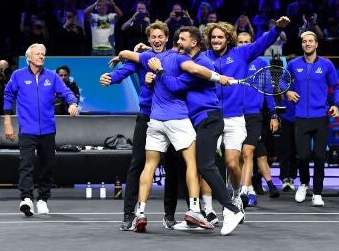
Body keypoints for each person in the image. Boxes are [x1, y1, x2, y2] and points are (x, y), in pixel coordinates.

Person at [147, 26, 244, 235]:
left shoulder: (201, 62)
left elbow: (174, 85)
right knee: (198, 166)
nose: (178, 42)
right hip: (198, 121)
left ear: (194, 43)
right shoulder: (185, 60)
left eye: (182, 39)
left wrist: (159, 71)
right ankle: (195, 215)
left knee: (205, 165)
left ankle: (233, 209)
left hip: (209, 118)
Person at [203, 16, 290, 208]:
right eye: (213, 37)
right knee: (206, 163)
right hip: (211, 116)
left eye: (220, 37)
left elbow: (262, 43)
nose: (216, 40)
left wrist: (276, 28)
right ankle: (206, 208)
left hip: (236, 117)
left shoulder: (241, 54)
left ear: (227, 39)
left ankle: (238, 193)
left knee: (234, 163)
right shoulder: (204, 57)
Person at [100, 21, 179, 231]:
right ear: (148, 39)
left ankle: (169, 215)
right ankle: (129, 215)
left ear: (167, 38)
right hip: (146, 116)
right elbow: (124, 71)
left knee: (172, 166)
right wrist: (111, 77)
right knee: (137, 165)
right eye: (153, 37)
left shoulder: (173, 58)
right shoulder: (142, 58)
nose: (157, 40)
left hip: (170, 118)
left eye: (160, 36)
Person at [3, 43, 78, 217]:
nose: (41, 56)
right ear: (29, 57)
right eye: (37, 54)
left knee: (47, 166)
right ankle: (27, 198)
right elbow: (8, 96)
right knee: (26, 164)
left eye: (43, 54)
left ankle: (43, 198)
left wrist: (72, 103)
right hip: (27, 129)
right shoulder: (18, 75)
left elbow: (66, 92)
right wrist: (7, 123)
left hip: (48, 129)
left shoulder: (52, 76)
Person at [286, 31, 339, 206]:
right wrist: (287, 91)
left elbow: (337, 87)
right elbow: (281, 82)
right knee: (302, 156)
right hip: (301, 118)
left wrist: (336, 104)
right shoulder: (293, 64)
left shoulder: (327, 65)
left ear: (317, 44)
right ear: (302, 44)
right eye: (304, 41)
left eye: (311, 41)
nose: (308, 44)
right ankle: (303, 184)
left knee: (319, 156)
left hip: (320, 117)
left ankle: (317, 193)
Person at [237, 32, 279, 206]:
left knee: (249, 153)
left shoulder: (262, 63)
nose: (244, 45)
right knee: (239, 156)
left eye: (247, 42)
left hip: (254, 116)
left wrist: (274, 114)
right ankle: (248, 190)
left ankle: (247, 191)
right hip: (235, 115)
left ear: (253, 43)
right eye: (241, 42)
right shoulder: (234, 62)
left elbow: (268, 91)